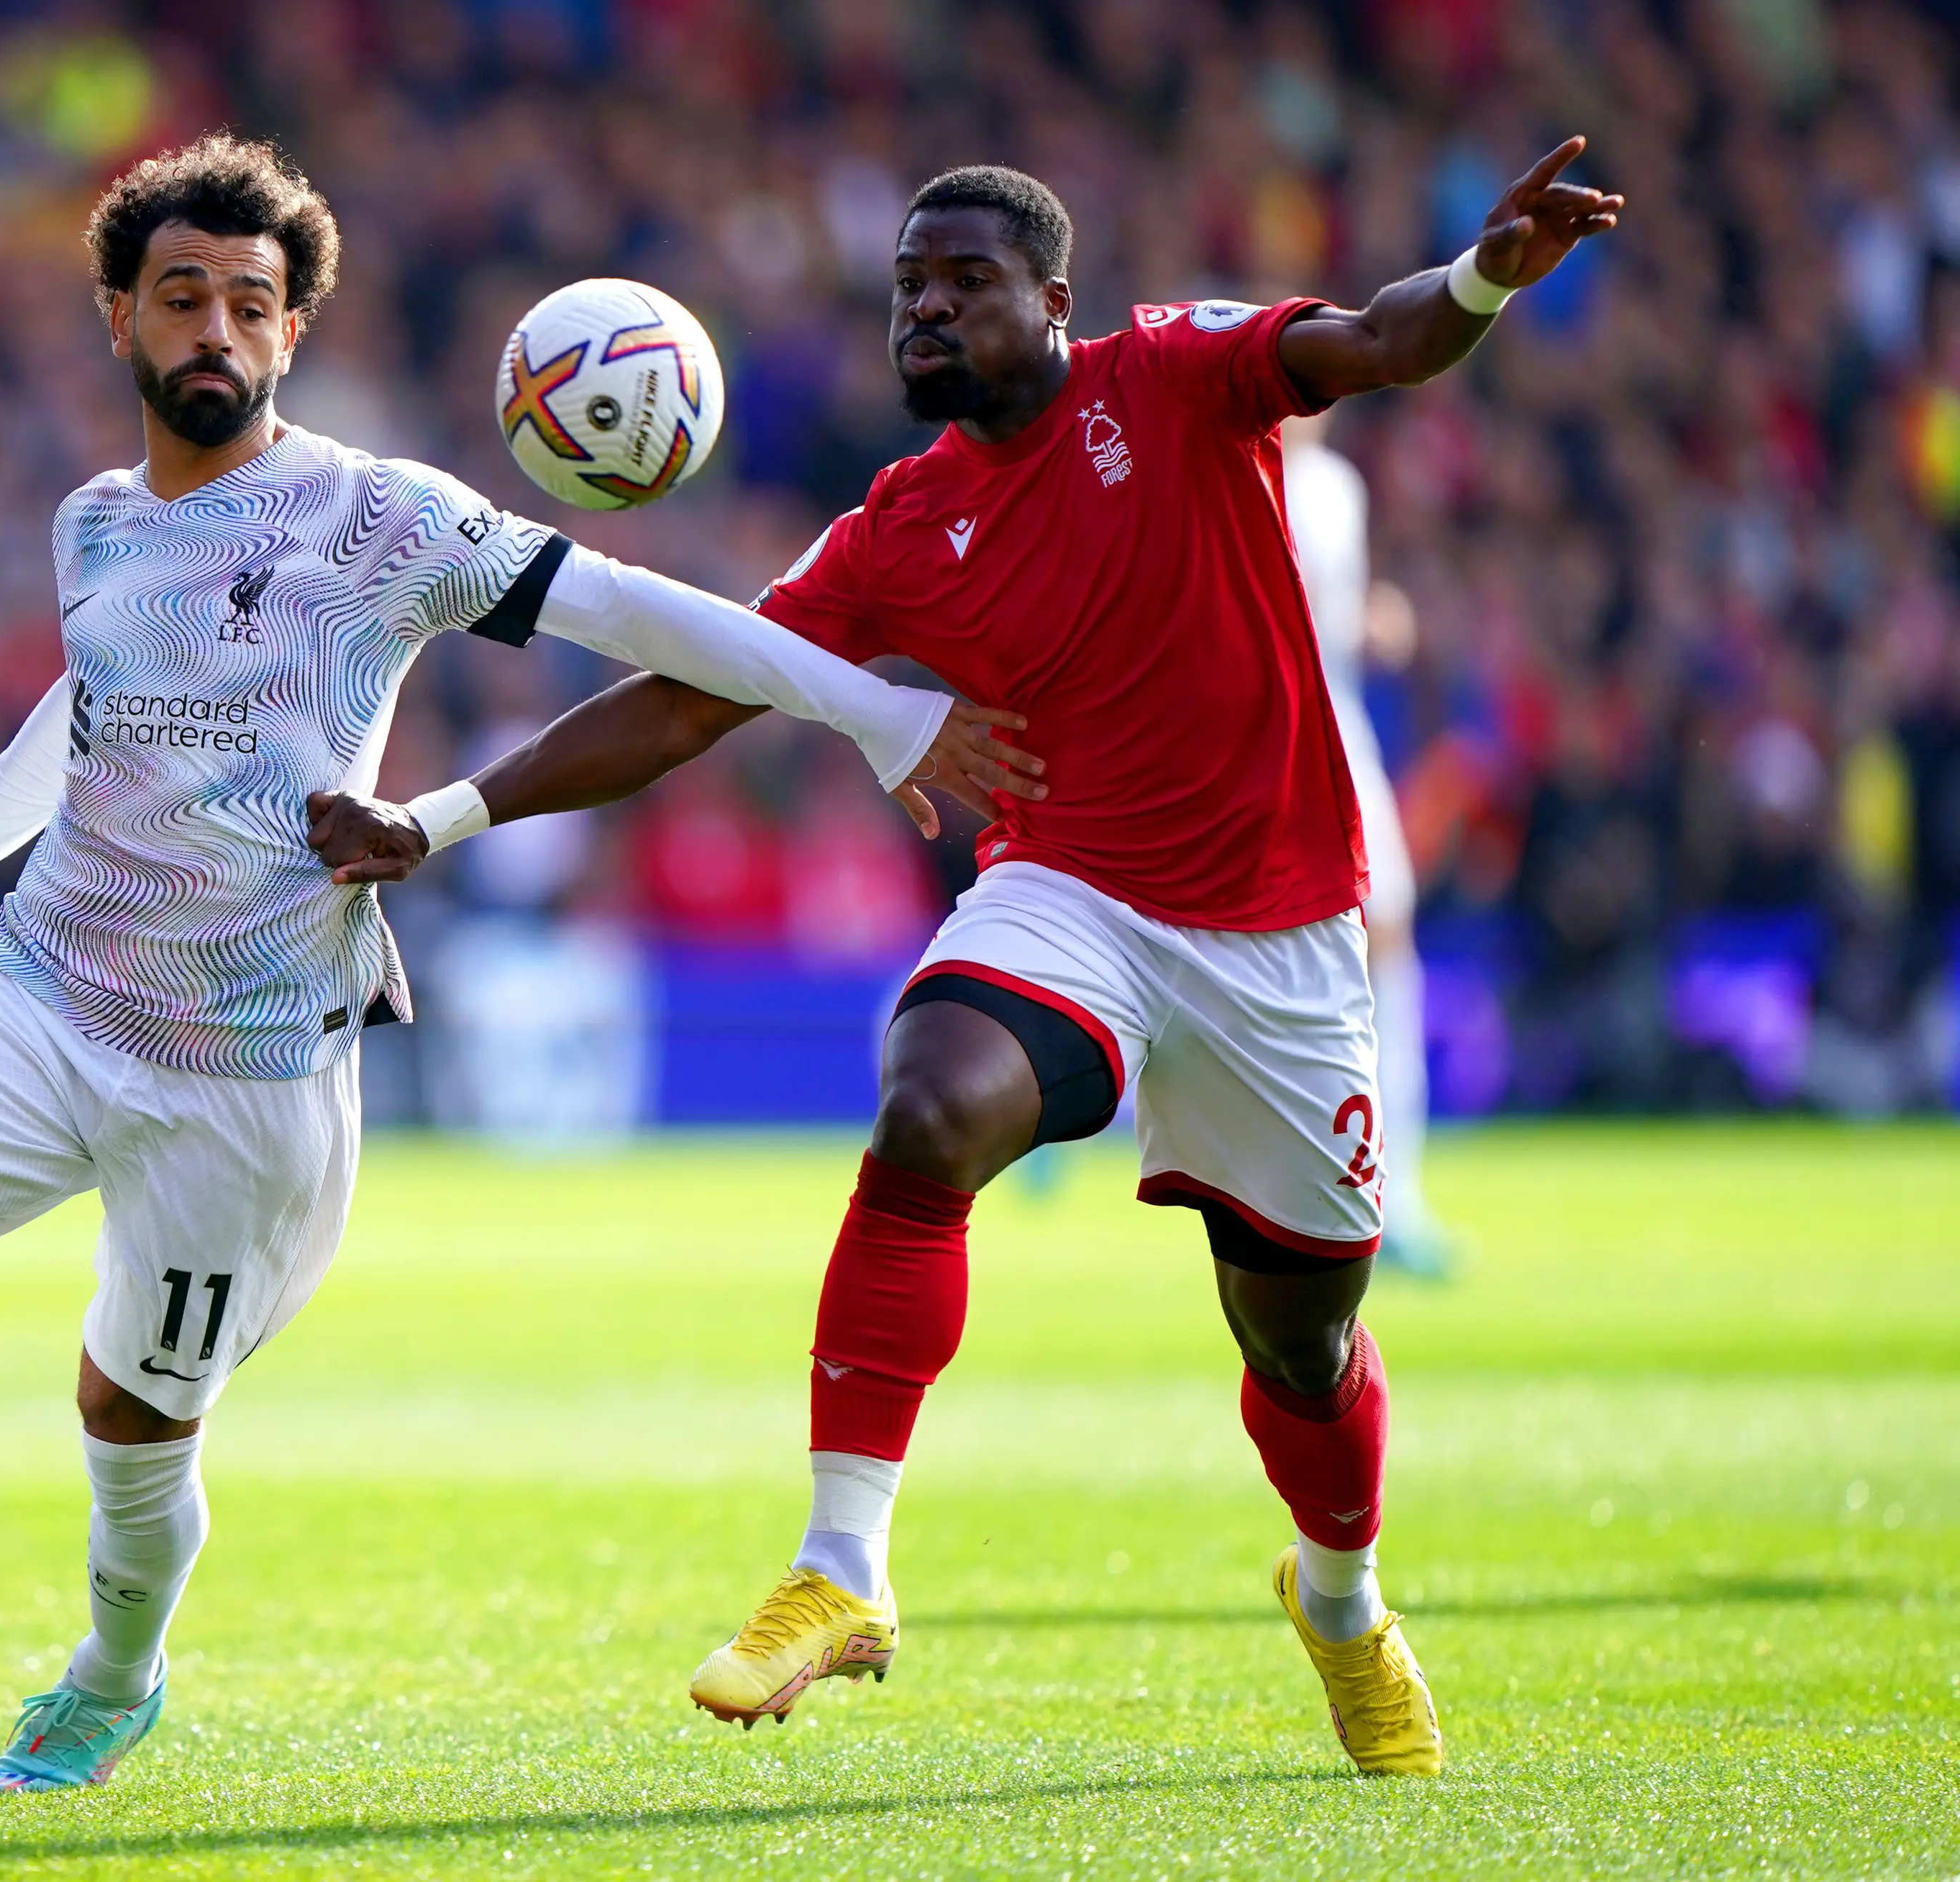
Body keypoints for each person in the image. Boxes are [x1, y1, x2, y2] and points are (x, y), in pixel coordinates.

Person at [0, 133, 1044, 1795]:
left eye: (249, 305)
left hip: (248, 1063)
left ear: (289, 334)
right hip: (50, 984)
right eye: (180, 296)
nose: (214, 328)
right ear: (118, 316)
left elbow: (640, 613)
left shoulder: (381, 518)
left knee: (126, 1416)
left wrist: (877, 705)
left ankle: (112, 1678)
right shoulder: (93, 522)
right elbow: (98, 699)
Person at [311, 140, 1618, 1776]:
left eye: (963, 282)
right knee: (926, 1104)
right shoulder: (902, 523)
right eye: (905, 290)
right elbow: (691, 693)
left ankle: (1342, 1596)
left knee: (1301, 1341)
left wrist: (1486, 273)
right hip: (1068, 894)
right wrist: (434, 816)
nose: (924, 308)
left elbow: (1376, 336)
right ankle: (839, 1564)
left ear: (1053, 302)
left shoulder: (1177, 375)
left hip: (1279, 934)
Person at [1283, 412, 1455, 1278]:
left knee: (1386, 941)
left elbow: (1332, 621)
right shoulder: (1227, 473)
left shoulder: (1337, 490)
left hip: (1338, 740)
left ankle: (1399, 1191)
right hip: (1252, 743)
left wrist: (1370, 621)